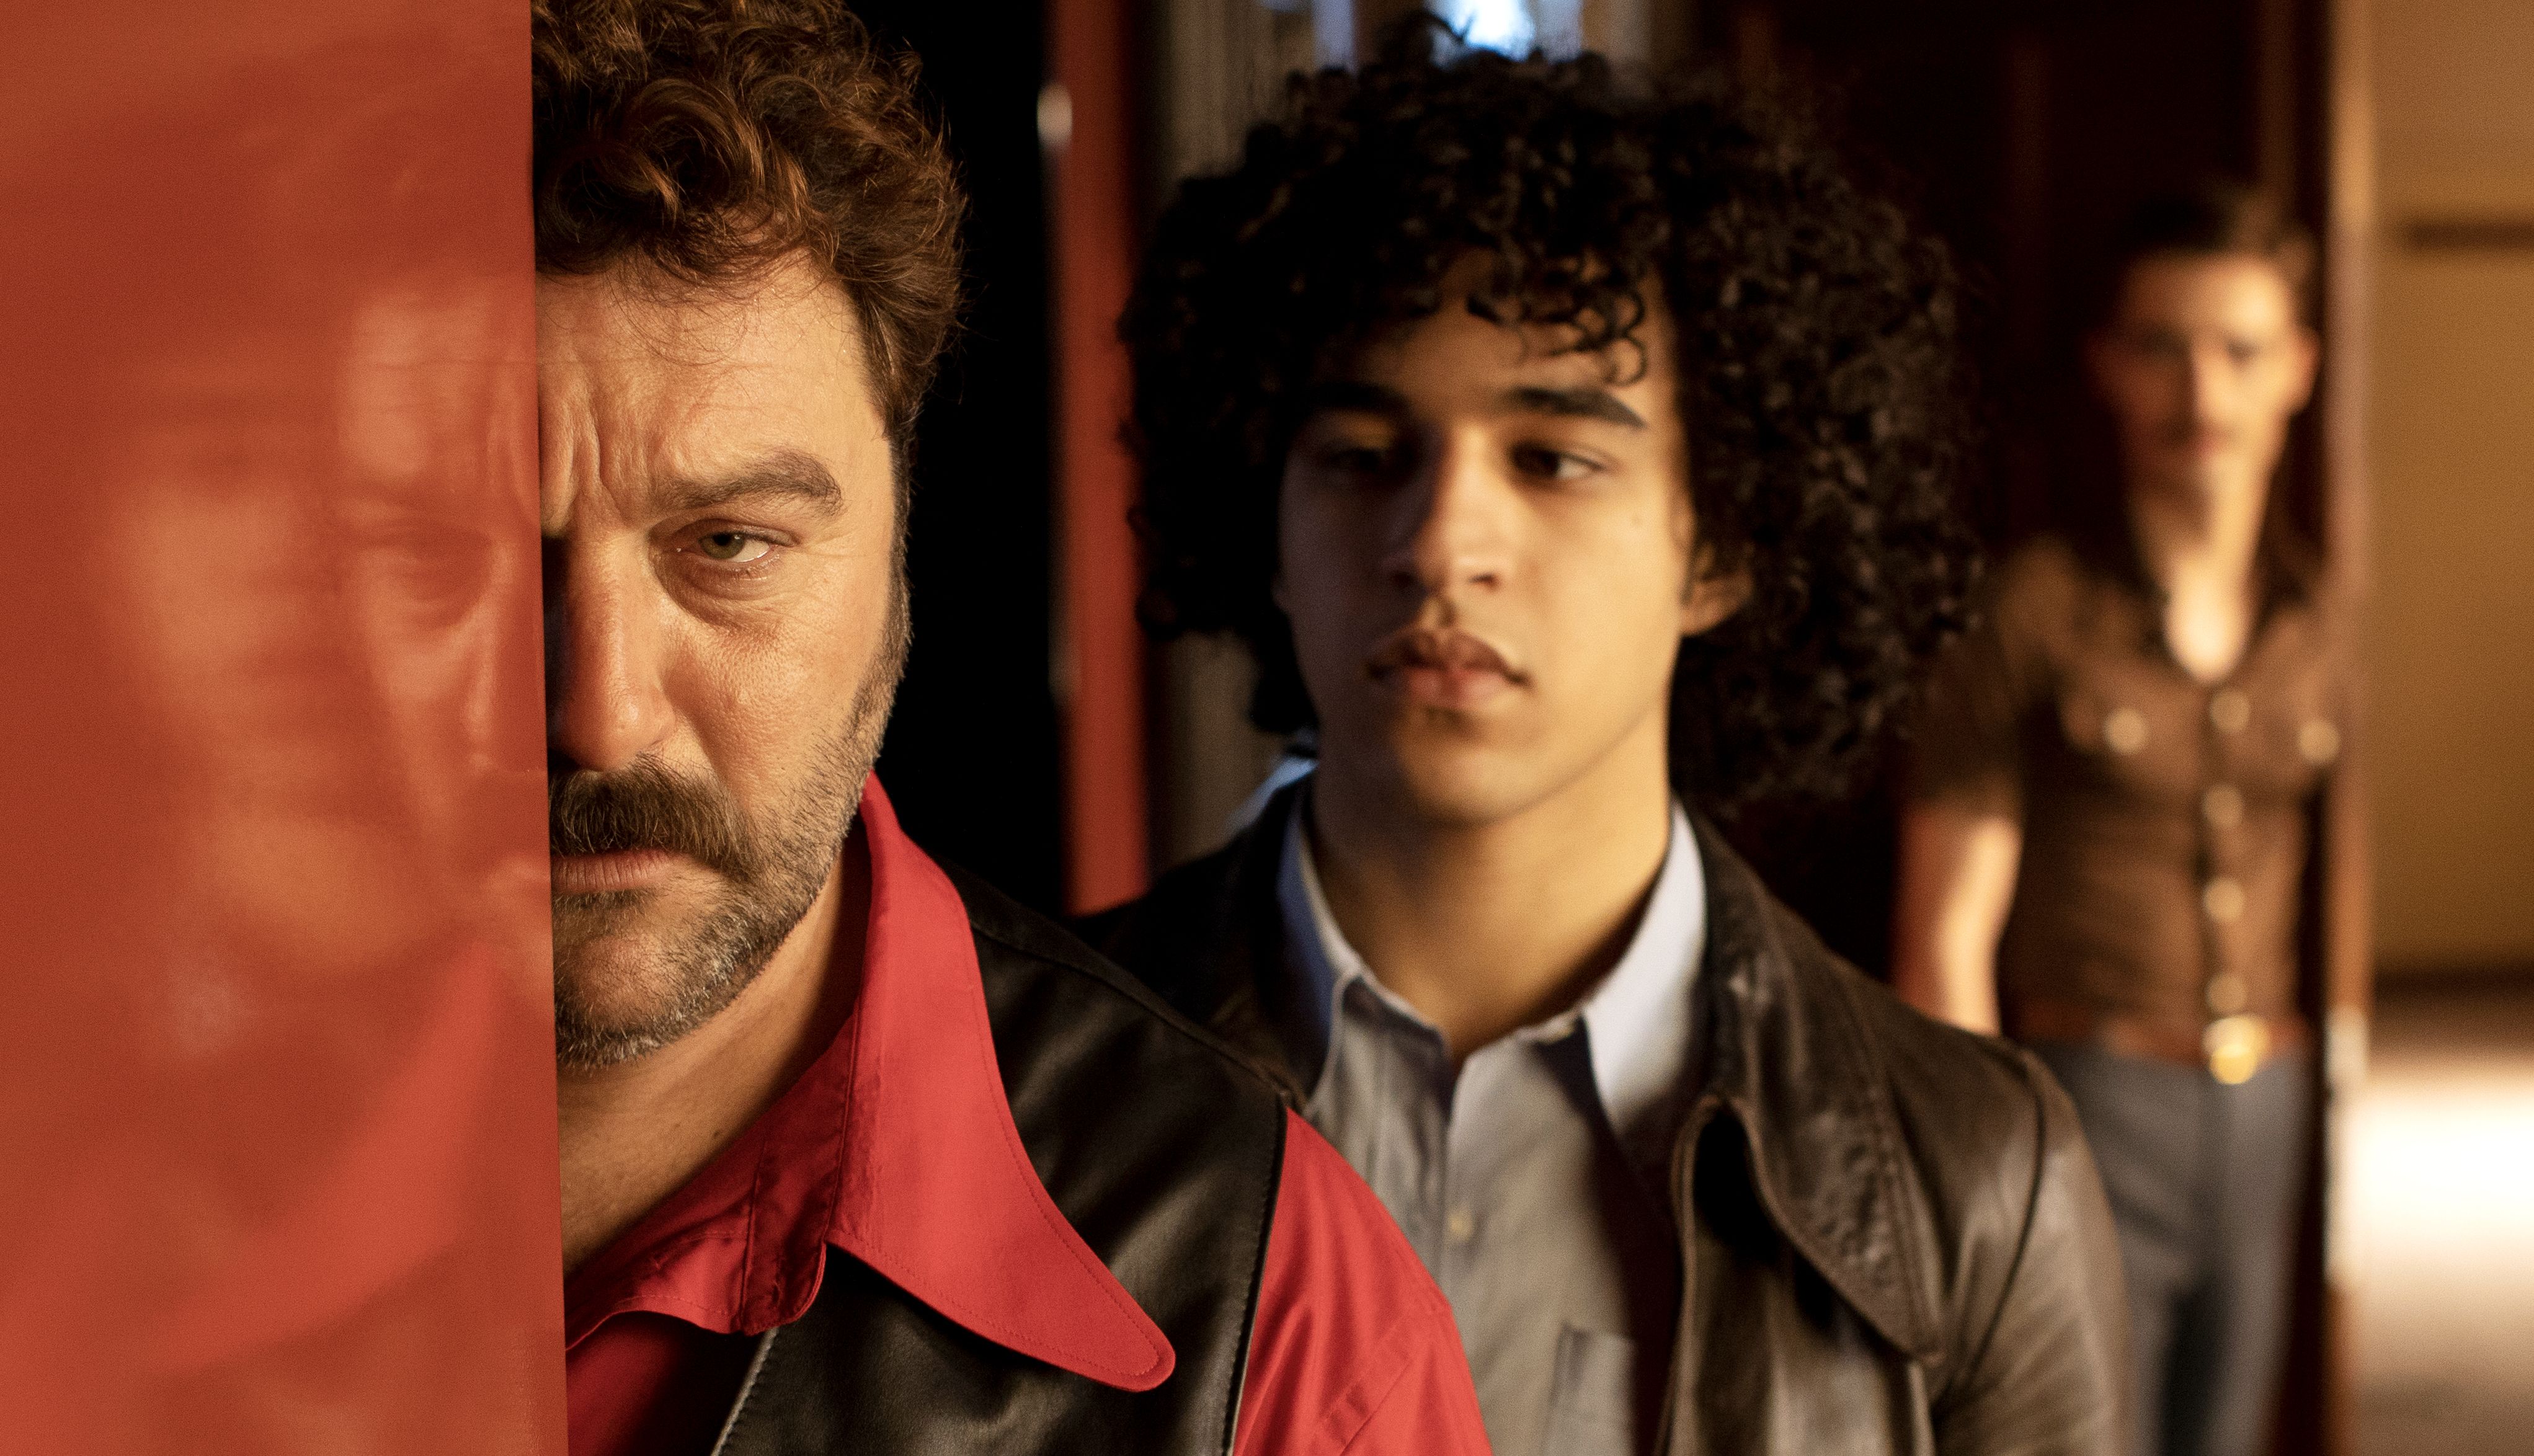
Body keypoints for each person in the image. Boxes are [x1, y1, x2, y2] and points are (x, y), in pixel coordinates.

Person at [1086, 33, 2128, 1456]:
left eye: (1554, 458)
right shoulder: (1028, 1079)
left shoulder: (1977, 1180)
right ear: (1265, 522)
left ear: (1724, 543)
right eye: (1362, 457)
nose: (1441, 542)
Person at [534, 4, 1490, 1452]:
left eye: (728, 544)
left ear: (898, 559)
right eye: (462, 559)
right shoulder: (144, 1153)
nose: (598, 715)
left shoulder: (1279, 1333)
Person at [1891, 184, 2342, 1456]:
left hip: (2267, 1099)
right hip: (2086, 1098)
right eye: (2164, 347)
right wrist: (1989, 1178)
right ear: (2108, 366)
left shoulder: (2318, 624)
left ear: (2296, 370)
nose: (2204, 391)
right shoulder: (2032, 611)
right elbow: (1943, 937)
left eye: (2240, 349)